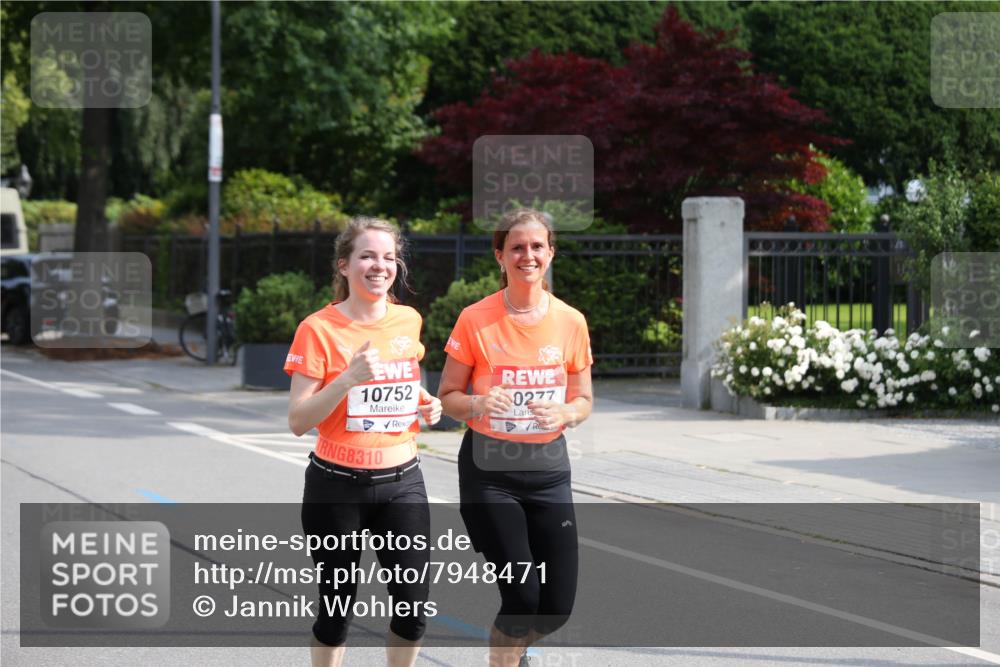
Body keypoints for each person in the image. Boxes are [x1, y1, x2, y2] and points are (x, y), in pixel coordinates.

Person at [437, 208, 594, 667]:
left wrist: (565, 410)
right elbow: (447, 395)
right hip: (491, 474)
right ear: (500, 256)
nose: (528, 255)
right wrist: (478, 403)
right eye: (517, 247)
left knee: (556, 608)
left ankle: (516, 652)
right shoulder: (475, 319)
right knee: (522, 596)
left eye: (537, 246)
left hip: (548, 471)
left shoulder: (570, 321)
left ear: (550, 253)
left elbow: (583, 399)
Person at [285, 216, 442, 667]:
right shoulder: (318, 328)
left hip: (403, 482)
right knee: (337, 610)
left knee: (412, 608)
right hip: (336, 486)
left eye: (389, 257)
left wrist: (425, 402)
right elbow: (298, 419)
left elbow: (402, 383)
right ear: (344, 265)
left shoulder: (408, 320)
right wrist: (347, 379)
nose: (380, 265)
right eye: (368, 256)